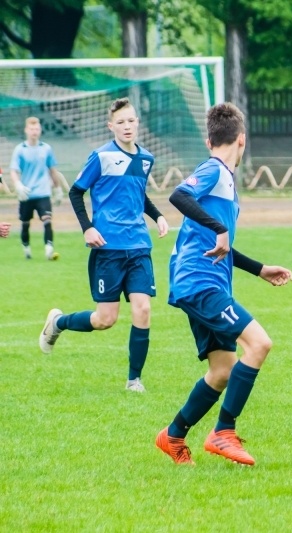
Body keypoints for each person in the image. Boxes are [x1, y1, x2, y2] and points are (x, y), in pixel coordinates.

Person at [156, 102, 292, 466]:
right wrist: (219, 227)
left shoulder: (224, 181)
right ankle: (223, 432)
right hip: (200, 283)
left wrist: (259, 269)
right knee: (259, 344)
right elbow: (178, 195)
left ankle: (173, 435)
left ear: (209, 140)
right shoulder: (215, 170)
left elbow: (221, 244)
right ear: (242, 140)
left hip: (200, 283)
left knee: (222, 371)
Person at [38, 98, 169, 393]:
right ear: (111, 126)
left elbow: (139, 194)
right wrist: (88, 228)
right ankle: (58, 322)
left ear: (138, 123)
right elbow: (76, 192)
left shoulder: (146, 159)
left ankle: (134, 380)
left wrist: (158, 216)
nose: (127, 126)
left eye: (131, 120)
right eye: (120, 122)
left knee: (143, 309)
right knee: (105, 319)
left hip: (139, 245)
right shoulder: (101, 156)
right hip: (108, 248)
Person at [8, 116, 67, 260]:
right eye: (31, 129)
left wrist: (58, 189)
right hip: (26, 194)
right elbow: (14, 171)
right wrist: (18, 185)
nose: (34, 131)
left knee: (47, 220)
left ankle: (49, 249)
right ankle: (26, 248)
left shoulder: (46, 149)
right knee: (25, 223)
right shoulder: (20, 149)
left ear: (40, 130)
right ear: (26, 130)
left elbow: (53, 170)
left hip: (43, 193)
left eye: (37, 129)